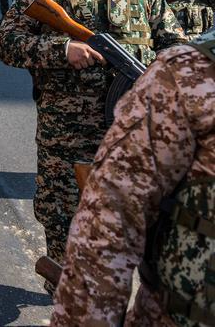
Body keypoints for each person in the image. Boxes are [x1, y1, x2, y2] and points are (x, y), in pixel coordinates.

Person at [0, 0, 186, 274]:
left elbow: (176, 48)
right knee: (65, 223)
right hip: (66, 138)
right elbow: (7, 44)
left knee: (131, 227)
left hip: (132, 136)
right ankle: (65, 290)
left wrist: (157, 74)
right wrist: (61, 49)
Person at [51, 34, 215, 326]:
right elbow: (109, 219)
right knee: (57, 210)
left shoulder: (179, 60)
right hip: (67, 129)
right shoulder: (191, 72)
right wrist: (61, 49)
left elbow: (168, 33)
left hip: (125, 111)